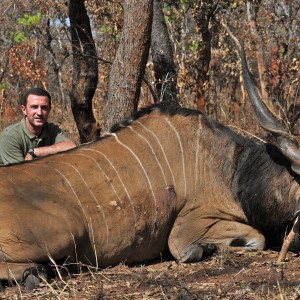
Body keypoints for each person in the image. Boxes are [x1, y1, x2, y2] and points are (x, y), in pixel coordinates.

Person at [0, 87, 76, 165]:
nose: (39, 113)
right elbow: (21, 174)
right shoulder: (10, 136)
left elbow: (71, 147)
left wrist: (34, 152)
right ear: (24, 110)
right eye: (34, 107)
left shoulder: (52, 129)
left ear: (49, 109)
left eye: (44, 107)